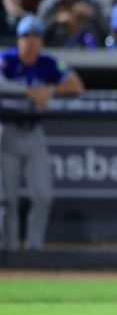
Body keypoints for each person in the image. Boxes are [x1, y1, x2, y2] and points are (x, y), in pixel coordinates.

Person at [0, 16, 84, 250]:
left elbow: (76, 85)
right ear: (18, 39)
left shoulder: (48, 62)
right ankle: (9, 250)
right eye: (26, 37)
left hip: (34, 131)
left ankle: (34, 248)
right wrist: (28, 92)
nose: (31, 42)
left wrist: (49, 89)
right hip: (6, 130)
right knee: (6, 199)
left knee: (43, 195)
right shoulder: (6, 59)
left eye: (36, 37)